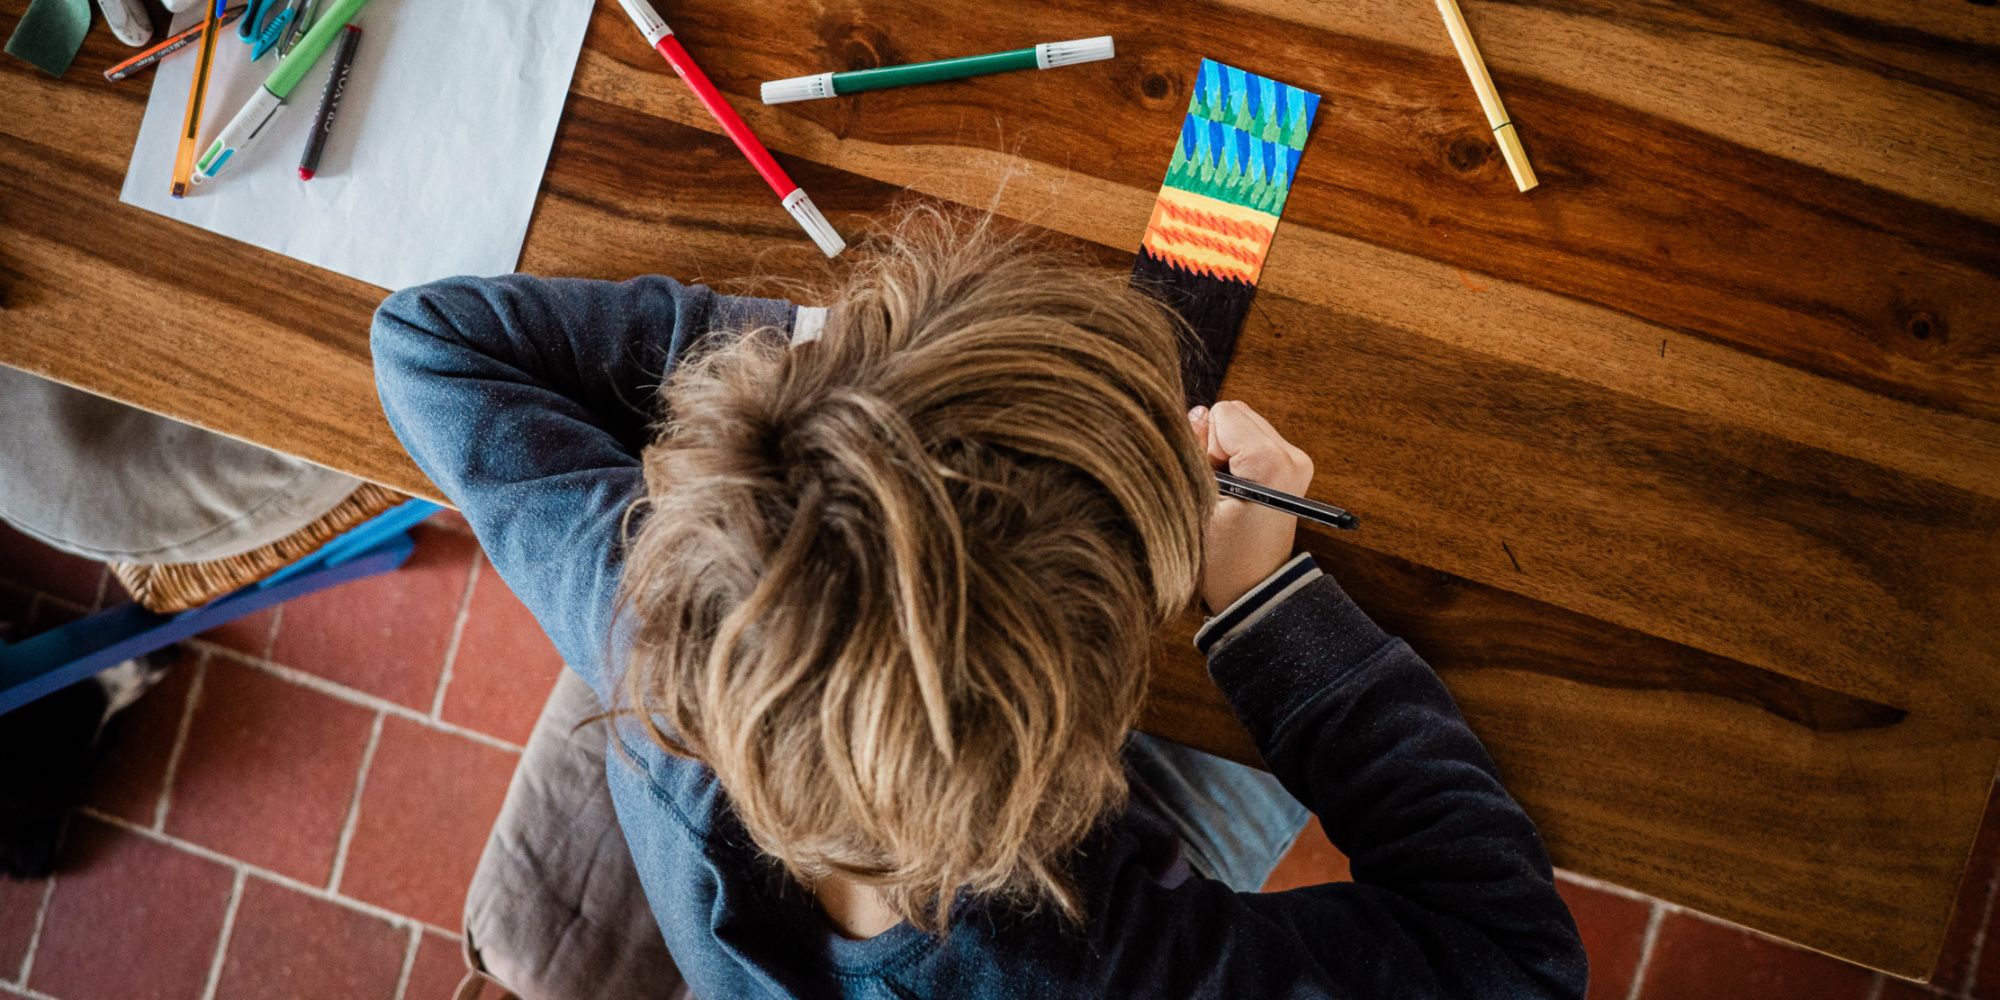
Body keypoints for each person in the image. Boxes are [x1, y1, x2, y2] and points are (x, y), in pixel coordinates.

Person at [372, 210, 1586, 998]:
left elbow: (430, 342)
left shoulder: (645, 622)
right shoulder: (1110, 973)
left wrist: (815, 371)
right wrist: (1267, 607)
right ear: (1079, 737)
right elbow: (1514, 959)